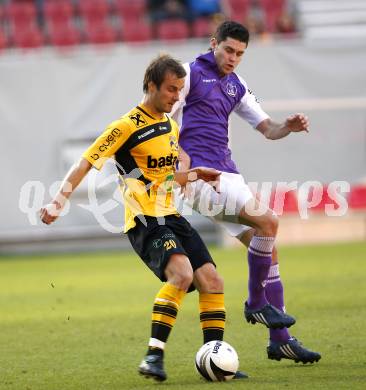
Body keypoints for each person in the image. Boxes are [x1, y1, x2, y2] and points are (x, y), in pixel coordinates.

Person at [40, 55, 247, 381]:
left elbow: (170, 168)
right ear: (151, 85)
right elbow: (85, 163)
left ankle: (214, 357)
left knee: (212, 280)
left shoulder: (170, 125)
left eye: (180, 90)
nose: (176, 96)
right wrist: (57, 201)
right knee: (181, 274)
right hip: (144, 219)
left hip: (172, 215)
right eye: (170, 89)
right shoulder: (124, 127)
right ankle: (154, 356)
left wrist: (191, 170)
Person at [170, 21, 321, 364]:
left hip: (229, 177)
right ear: (214, 44)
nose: (234, 58)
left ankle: (280, 340)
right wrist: (177, 158)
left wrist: (289, 127)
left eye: (240, 53)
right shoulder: (189, 73)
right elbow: (164, 114)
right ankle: (255, 302)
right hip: (202, 179)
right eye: (228, 50)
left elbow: (268, 128)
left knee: (268, 248)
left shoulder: (236, 85)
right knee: (268, 223)